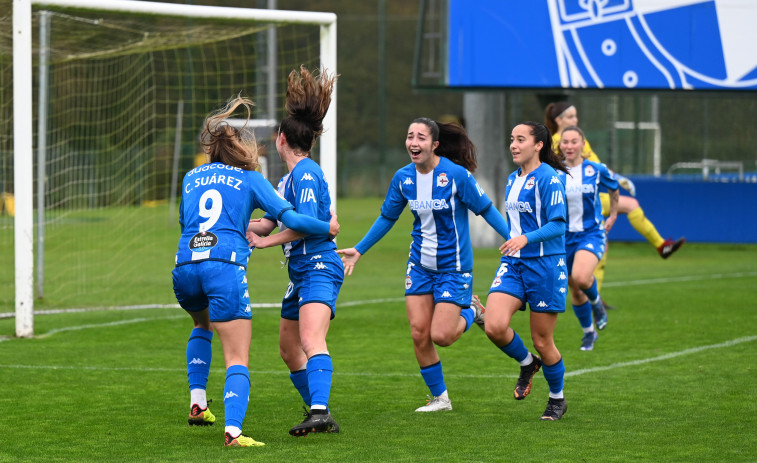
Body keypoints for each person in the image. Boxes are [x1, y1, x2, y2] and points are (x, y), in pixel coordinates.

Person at [172, 95, 340, 447]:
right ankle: (233, 432)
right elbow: (291, 219)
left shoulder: (190, 178)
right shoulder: (250, 177)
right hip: (225, 268)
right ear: (242, 148)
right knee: (238, 357)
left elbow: (187, 222)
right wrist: (328, 227)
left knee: (201, 324)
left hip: (185, 266)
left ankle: (198, 403)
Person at [336, 117, 511, 412]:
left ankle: (472, 310)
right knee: (419, 332)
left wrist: (514, 240)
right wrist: (360, 250)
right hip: (419, 265)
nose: (413, 143)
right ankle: (440, 398)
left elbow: (486, 210)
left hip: (453, 266)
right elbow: (387, 218)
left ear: (434, 145)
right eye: (409, 137)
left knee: (441, 336)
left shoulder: (456, 176)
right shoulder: (403, 178)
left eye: (420, 138)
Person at [245, 66, 342, 437]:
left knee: (310, 339)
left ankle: (319, 411)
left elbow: (300, 224)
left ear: (281, 138)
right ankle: (319, 408)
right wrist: (231, 225)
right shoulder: (286, 179)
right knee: (289, 348)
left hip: (319, 265)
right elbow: (268, 222)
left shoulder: (305, 174)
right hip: (299, 273)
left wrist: (266, 242)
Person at [472, 121, 569, 421]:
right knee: (494, 326)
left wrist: (526, 238)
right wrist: (519, 242)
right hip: (514, 264)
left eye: (520, 139)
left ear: (538, 145)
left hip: (545, 266)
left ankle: (557, 399)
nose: (513, 145)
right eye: (511, 139)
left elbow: (558, 224)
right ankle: (528, 364)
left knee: (543, 340)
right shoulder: (513, 178)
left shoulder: (549, 178)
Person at [545, 101, 685, 301]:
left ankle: (595, 296)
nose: (575, 120)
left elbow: (594, 166)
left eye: (576, 116)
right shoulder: (562, 141)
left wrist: (616, 178)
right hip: (573, 200)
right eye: (570, 116)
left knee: (602, 243)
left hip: (584, 196)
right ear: (558, 120)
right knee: (630, 206)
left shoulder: (575, 139)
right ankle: (660, 246)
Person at [558, 126, 619, 351]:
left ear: (583, 144)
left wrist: (613, 214)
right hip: (563, 238)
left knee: (582, 278)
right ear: (560, 145)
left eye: (575, 141)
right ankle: (588, 333)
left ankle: (597, 304)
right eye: (566, 142)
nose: (570, 146)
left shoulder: (595, 169)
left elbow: (614, 189)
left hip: (591, 233)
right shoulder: (554, 172)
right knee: (574, 289)